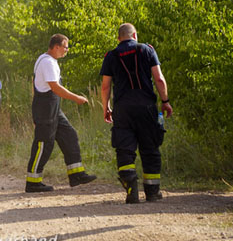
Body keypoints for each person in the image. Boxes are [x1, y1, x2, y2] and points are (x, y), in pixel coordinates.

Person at [100, 23, 173, 204]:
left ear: (119, 38)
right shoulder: (146, 50)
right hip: (147, 107)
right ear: (135, 36)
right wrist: (165, 102)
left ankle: (131, 186)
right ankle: (152, 192)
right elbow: (159, 79)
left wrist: (106, 107)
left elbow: (105, 86)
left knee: (124, 148)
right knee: (150, 148)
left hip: (122, 109)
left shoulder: (111, 55)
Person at [26, 34, 97, 192]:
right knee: (44, 144)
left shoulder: (49, 61)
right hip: (45, 111)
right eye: (65, 47)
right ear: (56, 46)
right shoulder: (47, 62)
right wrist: (76, 98)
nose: (67, 50)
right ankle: (32, 181)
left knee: (69, 135)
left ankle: (76, 174)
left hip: (53, 110)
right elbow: (55, 87)